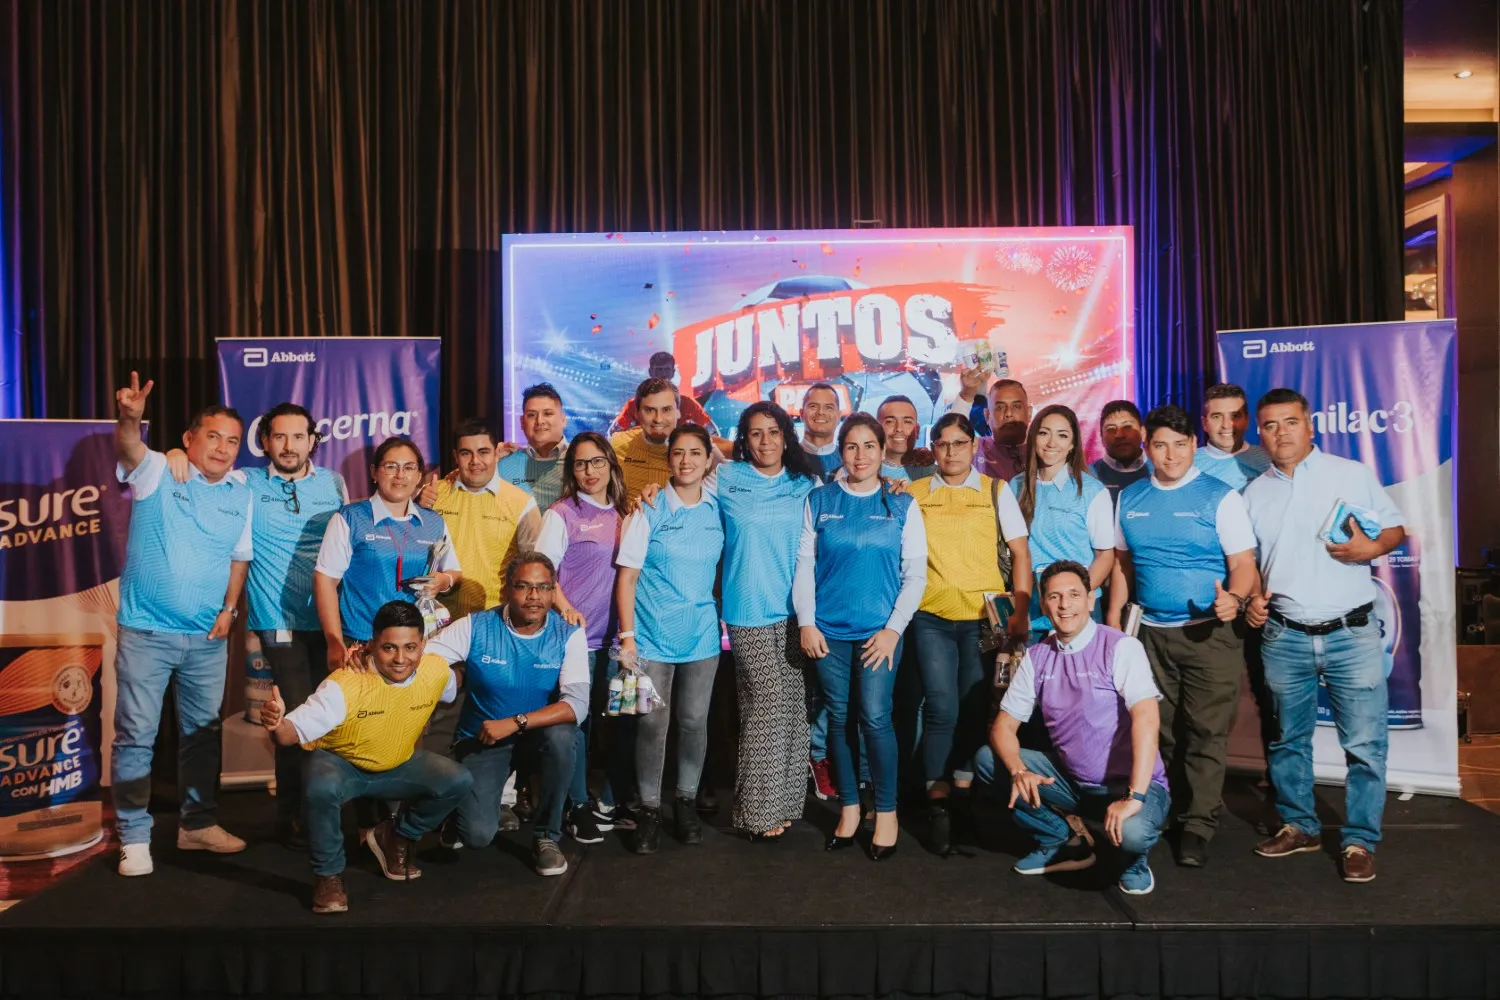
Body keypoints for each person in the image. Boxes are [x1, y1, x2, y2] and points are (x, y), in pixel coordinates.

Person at [166, 403, 349, 848]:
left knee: (334, 716)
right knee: (297, 715)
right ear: (265, 441)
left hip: (333, 621)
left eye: (298, 437)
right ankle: (295, 814)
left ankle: (326, 810)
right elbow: (200, 476)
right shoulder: (244, 481)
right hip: (278, 622)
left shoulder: (334, 483)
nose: (289, 446)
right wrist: (175, 453)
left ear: (312, 441)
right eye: (279, 437)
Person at [1243, 388, 1405, 884]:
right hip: (1284, 634)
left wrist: (1371, 548)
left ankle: (1359, 841)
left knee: (1365, 745)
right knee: (1287, 741)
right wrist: (1251, 600)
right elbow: (1250, 566)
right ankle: (1300, 826)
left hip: (1351, 633)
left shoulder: (1350, 474)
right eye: (1270, 425)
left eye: (1290, 422)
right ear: (1260, 433)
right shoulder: (1254, 493)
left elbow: (1395, 529)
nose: (1281, 433)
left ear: (1309, 426)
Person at [110, 373, 255, 877]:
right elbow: (129, 447)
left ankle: (197, 825)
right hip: (147, 634)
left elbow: (240, 556)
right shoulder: (158, 470)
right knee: (136, 736)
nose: (222, 448)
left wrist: (230, 610)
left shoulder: (242, 491)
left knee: (202, 736)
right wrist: (130, 417)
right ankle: (133, 836)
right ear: (189, 439)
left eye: (232, 441)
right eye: (212, 436)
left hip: (207, 640)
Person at [1109, 405, 1260, 869]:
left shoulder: (1220, 496)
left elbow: (1244, 565)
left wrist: (1235, 598)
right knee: (1164, 731)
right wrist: (1114, 619)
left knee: (1206, 732)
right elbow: (1122, 566)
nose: (1171, 455)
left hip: (1209, 635)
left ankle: (1199, 823)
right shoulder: (1131, 498)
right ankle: (1172, 808)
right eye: (1160, 445)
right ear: (1147, 448)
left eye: (1179, 444)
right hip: (1150, 636)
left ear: (1194, 445)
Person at [257, 601, 472, 914]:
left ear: (423, 646)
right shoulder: (345, 683)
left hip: (398, 765)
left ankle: (396, 836)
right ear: (372, 645)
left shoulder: (435, 671)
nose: (400, 659)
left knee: (458, 779)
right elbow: (288, 735)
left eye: (410, 647)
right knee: (320, 787)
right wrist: (276, 723)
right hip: (342, 765)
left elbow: (457, 681)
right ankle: (329, 876)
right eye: (389, 648)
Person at [972, 560, 1169, 895]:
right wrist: (1019, 771)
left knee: (1133, 833)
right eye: (1055, 596)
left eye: (1074, 594)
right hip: (1075, 783)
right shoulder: (1037, 656)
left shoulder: (1121, 646)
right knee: (988, 760)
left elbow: (1147, 718)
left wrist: (1134, 796)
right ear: (1044, 604)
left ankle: (1133, 860)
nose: (1065, 605)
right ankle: (1061, 838)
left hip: (1132, 785)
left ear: (1091, 600)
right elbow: (1003, 727)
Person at [794, 413, 927, 860]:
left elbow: (915, 575)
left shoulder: (901, 504)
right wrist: (807, 622)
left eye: (869, 445)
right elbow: (804, 566)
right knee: (838, 718)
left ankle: (886, 812)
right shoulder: (820, 500)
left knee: (874, 717)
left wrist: (892, 631)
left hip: (879, 635)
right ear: (841, 451)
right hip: (829, 632)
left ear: (882, 450)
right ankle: (850, 808)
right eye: (852, 446)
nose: (861, 455)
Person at [908, 413, 1032, 855]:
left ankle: (962, 793)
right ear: (933, 448)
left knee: (975, 705)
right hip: (931, 615)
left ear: (974, 446)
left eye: (959, 443)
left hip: (985, 619)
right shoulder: (915, 493)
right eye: (943, 444)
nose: (951, 452)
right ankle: (937, 799)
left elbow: (1020, 554)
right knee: (941, 707)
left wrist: (1020, 612)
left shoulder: (996, 491)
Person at [423, 553, 588, 876]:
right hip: (484, 740)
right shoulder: (475, 626)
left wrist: (515, 723)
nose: (534, 596)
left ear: (553, 591)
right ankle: (460, 810)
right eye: (524, 587)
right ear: (507, 590)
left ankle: (546, 836)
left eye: (543, 588)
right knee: (477, 835)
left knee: (564, 737)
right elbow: (424, 660)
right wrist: (453, 675)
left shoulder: (569, 633)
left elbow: (577, 705)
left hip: (535, 737)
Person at [615, 424, 726, 853]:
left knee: (694, 721)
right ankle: (648, 810)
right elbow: (627, 579)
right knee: (651, 724)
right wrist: (628, 638)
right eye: (678, 453)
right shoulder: (648, 509)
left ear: (708, 459)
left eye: (695, 453)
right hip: (651, 637)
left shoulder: (718, 507)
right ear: (668, 459)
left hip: (701, 636)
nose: (686, 461)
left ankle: (685, 802)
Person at [716, 402, 821, 840]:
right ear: (744, 439)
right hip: (748, 610)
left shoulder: (806, 484)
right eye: (755, 433)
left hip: (796, 612)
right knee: (767, 706)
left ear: (785, 436)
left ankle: (784, 804)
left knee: (793, 709)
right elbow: (684, 491)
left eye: (773, 432)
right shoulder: (726, 478)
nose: (765, 441)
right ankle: (756, 812)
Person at [534, 431, 632, 841]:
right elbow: (542, 573)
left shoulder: (626, 511)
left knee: (619, 724)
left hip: (619, 641)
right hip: (578, 641)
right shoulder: (562, 513)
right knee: (576, 725)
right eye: (580, 463)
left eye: (596, 462)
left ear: (611, 464)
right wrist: (565, 608)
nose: (589, 471)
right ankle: (576, 806)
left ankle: (609, 801)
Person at [313, 437, 461, 668]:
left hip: (414, 647)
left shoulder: (433, 522)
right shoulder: (351, 518)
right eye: (391, 466)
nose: (400, 475)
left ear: (419, 475)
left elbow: (454, 572)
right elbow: (324, 580)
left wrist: (443, 580)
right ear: (374, 472)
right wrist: (334, 641)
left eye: (409, 467)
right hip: (362, 646)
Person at [1011, 405, 1115, 642]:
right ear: (1033, 437)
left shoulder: (1091, 490)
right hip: (1030, 601)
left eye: (1062, 435)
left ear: (1072, 445)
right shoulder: (1015, 486)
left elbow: (1105, 556)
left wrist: (1076, 596)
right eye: (1044, 433)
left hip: (1075, 604)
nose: (1051, 443)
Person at [422, 418, 541, 620]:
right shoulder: (432, 495)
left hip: (493, 621)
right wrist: (419, 505)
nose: (475, 461)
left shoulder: (522, 503)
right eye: (466, 453)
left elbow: (532, 570)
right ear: (455, 456)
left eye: (483, 452)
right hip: (435, 620)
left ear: (497, 453)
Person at [496, 382, 571, 511]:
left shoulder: (581, 461)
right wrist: (490, 461)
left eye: (548, 413)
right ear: (522, 422)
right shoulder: (504, 465)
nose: (539, 421)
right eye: (531, 415)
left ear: (563, 420)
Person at [608, 351, 718, 435]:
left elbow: (713, 433)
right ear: (650, 372)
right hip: (646, 454)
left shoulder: (687, 403)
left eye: (667, 370)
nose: (663, 374)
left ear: (673, 372)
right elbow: (613, 434)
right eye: (659, 370)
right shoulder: (634, 404)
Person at [611, 378, 682, 503]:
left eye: (666, 410)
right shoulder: (616, 444)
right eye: (649, 410)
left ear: (678, 413)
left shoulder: (696, 451)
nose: (658, 419)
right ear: (637, 413)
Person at [951, 371, 1031, 482]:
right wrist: (966, 395)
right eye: (1000, 408)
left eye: (1017, 406)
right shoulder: (975, 450)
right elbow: (952, 436)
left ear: (1029, 413)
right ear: (987, 416)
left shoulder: (1045, 450)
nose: (1008, 413)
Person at [1193, 383, 1272, 491]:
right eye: (1217, 416)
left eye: (1235, 416)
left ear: (1247, 420)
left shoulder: (1269, 458)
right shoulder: (1187, 463)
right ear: (1205, 423)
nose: (1226, 425)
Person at [1090, 400, 1150, 507]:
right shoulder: (1087, 476)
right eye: (1111, 429)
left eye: (1127, 427)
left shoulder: (1162, 471)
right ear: (1102, 438)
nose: (1119, 435)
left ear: (1143, 432)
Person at [875, 395, 936, 480]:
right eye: (890, 422)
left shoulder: (933, 473)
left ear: (917, 430)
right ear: (876, 430)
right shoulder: (862, 469)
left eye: (907, 422)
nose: (899, 428)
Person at [799, 382, 844, 479]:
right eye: (813, 406)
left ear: (839, 416)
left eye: (829, 407)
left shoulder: (850, 461)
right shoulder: (783, 458)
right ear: (801, 414)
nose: (821, 412)